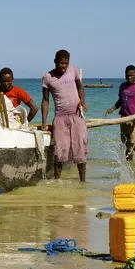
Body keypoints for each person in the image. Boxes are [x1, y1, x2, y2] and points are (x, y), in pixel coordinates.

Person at [40, 49, 88, 182]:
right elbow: (45, 100)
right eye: (61, 63)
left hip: (76, 116)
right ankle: (57, 182)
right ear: (55, 61)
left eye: (66, 63)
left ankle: (82, 182)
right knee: (60, 151)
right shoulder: (48, 77)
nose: (64, 66)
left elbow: (80, 87)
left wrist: (82, 101)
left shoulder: (74, 71)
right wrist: (44, 122)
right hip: (60, 117)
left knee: (80, 150)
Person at [105, 65, 135, 161]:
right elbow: (120, 101)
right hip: (123, 118)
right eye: (127, 75)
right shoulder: (122, 86)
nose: (129, 77)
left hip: (134, 119)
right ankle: (129, 165)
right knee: (126, 143)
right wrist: (112, 108)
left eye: (132, 75)